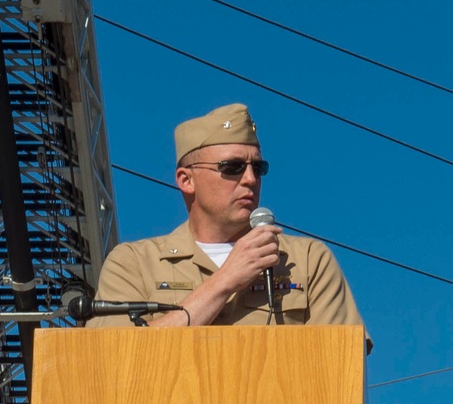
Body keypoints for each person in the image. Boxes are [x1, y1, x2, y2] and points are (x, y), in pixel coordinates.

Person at [88, 102, 369, 340]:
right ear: (186, 180)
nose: (250, 179)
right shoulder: (134, 263)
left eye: (257, 168)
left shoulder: (306, 261)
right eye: (232, 168)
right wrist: (225, 281)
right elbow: (114, 361)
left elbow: (342, 368)